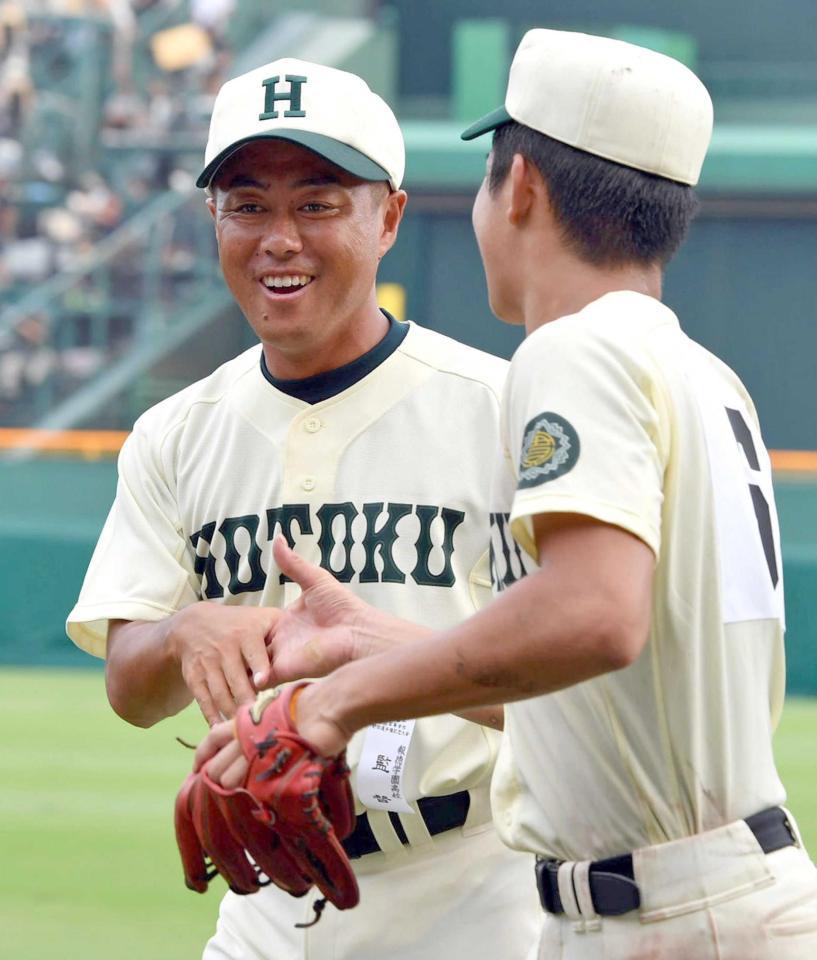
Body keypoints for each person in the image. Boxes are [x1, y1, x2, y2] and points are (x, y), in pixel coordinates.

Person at [198, 29, 817, 960]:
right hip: (710, 891)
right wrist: (374, 640)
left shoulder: (575, 348)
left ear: (518, 185)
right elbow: (603, 685)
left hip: (669, 914)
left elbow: (591, 617)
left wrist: (333, 704)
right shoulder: (697, 369)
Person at [66, 58, 541, 959]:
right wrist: (182, 632)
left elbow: (590, 685)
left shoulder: (502, 407)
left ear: (389, 216)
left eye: (317, 202)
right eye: (247, 204)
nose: (278, 237)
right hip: (272, 898)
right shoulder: (176, 432)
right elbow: (131, 686)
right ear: (213, 220)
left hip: (485, 880)